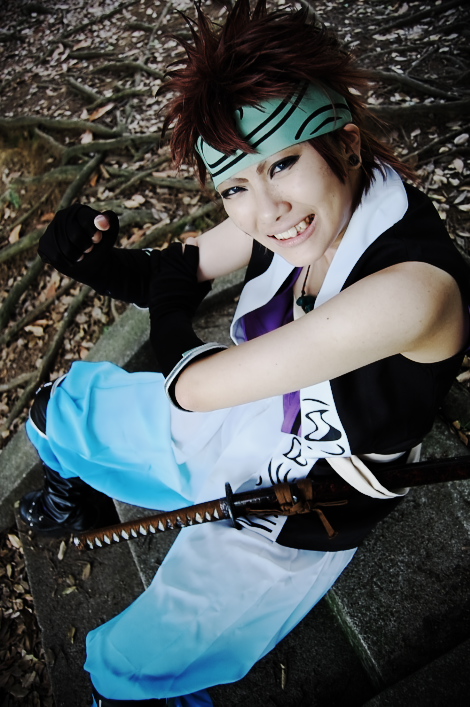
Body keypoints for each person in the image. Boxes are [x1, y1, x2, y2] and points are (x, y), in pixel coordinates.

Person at [19, 1, 469, 705]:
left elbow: (191, 384)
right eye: (235, 185)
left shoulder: (413, 290)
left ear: (347, 146)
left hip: (306, 495)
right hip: (244, 411)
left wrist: (169, 305)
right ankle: (77, 498)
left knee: (126, 670)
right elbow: (177, 270)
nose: (267, 211)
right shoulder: (290, 215)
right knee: (57, 410)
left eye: (283, 164)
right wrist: (93, 262)